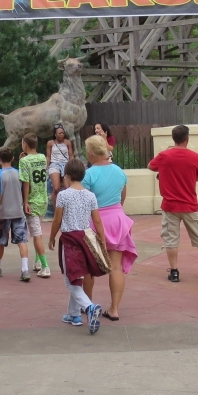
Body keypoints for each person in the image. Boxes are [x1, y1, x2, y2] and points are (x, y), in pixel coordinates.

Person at [148, 124, 198, 282]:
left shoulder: (164, 156)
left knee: (171, 239)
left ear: (173, 138)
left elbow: (151, 166)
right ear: (187, 139)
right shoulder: (194, 156)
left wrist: (163, 173)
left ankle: (174, 271)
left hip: (170, 205)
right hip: (189, 204)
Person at [82, 134, 136, 321]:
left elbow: (84, 202)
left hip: (95, 221)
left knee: (89, 267)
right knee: (116, 267)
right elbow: (122, 198)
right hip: (117, 219)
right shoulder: (119, 171)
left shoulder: (88, 174)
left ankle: (87, 304)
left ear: (90, 153)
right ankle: (114, 309)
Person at [48, 159, 106, 334]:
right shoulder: (90, 195)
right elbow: (97, 220)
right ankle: (73, 314)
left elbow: (57, 219)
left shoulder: (63, 195)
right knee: (77, 275)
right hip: (86, 239)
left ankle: (89, 307)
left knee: (70, 279)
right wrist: (102, 239)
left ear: (67, 176)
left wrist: (51, 237)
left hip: (70, 240)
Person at [0, 147, 31, 281]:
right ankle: (25, 269)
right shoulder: (19, 173)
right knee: (22, 241)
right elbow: (24, 190)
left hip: (4, 213)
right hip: (18, 212)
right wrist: (25, 203)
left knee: (1, 241)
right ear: (13, 158)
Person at [19, 133, 50, 277]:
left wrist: (25, 201)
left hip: (32, 201)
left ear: (25, 144)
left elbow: (26, 182)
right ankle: (38, 261)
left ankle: (45, 266)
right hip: (43, 198)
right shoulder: (42, 157)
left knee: (36, 234)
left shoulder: (24, 161)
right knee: (38, 232)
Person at [46, 124, 74, 208]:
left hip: (65, 164)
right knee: (56, 188)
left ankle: (67, 208)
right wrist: (46, 167)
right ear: (55, 134)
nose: (61, 134)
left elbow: (71, 155)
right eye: (59, 133)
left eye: (63, 133)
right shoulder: (50, 143)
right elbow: (48, 156)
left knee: (67, 188)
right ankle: (56, 210)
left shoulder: (67, 142)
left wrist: (72, 165)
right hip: (54, 164)